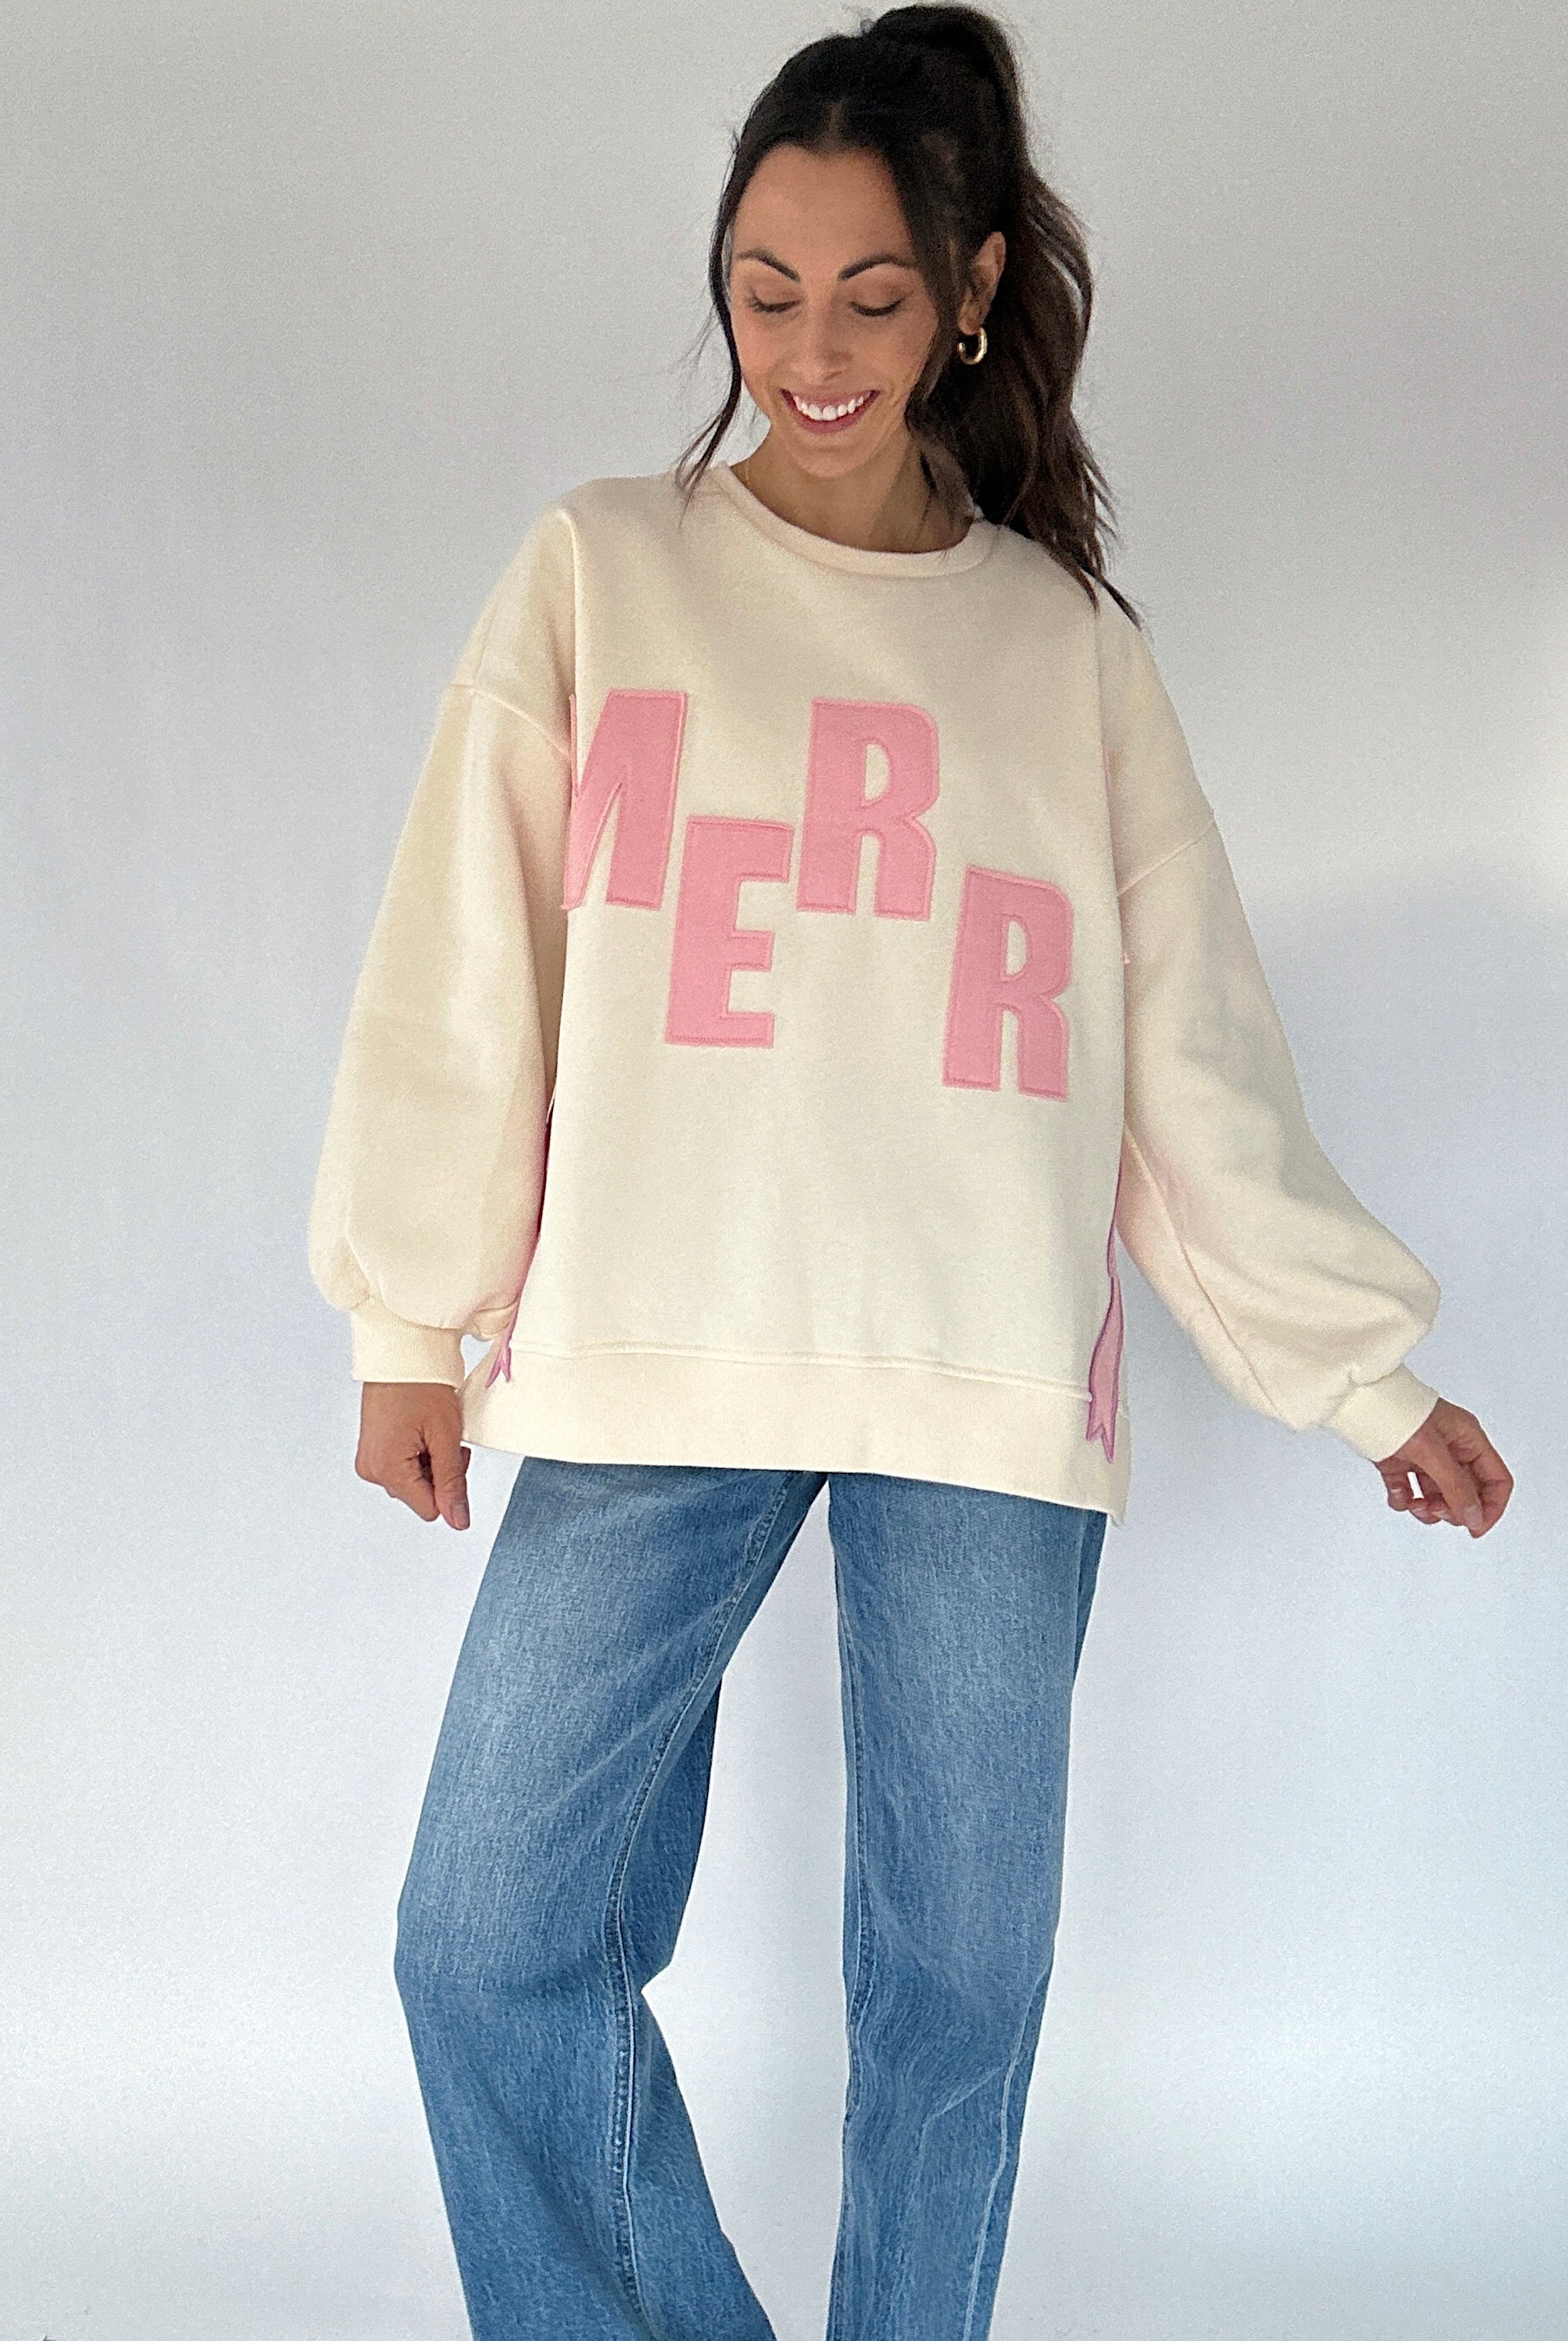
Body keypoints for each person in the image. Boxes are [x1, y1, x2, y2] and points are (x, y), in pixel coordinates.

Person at [306, 8, 1514, 2336]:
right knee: (485, 1941)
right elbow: (467, 962)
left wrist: (1362, 1375)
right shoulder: (598, 573)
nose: (810, 348)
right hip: (650, 1349)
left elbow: (1188, 1065)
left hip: (979, 1380)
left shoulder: (1062, 654)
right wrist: (404, 1313)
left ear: (965, 293)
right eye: (764, 288)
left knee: (956, 2006)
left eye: (869, 293)